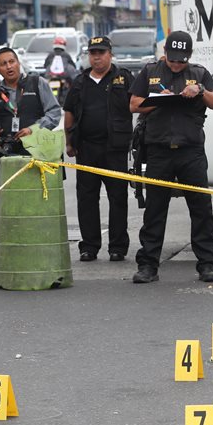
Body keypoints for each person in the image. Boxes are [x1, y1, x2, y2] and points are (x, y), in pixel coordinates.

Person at [128, 31, 213, 284]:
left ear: (189, 57)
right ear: (165, 53)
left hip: (191, 151)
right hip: (159, 150)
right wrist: (161, 100)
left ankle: (207, 265)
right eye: (172, 59)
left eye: (181, 60)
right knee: (155, 210)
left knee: (201, 208)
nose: (176, 64)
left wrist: (200, 90)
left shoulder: (199, 73)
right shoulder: (150, 71)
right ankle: (148, 265)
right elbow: (134, 104)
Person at [63, 35, 134, 262]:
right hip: (87, 148)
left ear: (110, 54)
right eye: (93, 53)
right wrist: (69, 142)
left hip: (115, 149)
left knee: (118, 197)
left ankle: (117, 247)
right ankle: (89, 246)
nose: (97, 57)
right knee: (86, 198)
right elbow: (69, 113)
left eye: (101, 53)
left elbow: (138, 103)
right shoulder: (80, 82)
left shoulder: (124, 78)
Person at [0, 47, 62, 157]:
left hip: (39, 151)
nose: (9, 67)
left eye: (12, 62)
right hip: (9, 153)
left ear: (18, 63)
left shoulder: (37, 83)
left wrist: (33, 130)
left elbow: (54, 112)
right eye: (3, 64)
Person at [43, 37, 78, 101]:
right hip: (63, 77)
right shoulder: (66, 55)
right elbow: (73, 65)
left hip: (51, 77)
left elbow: (45, 65)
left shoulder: (50, 55)